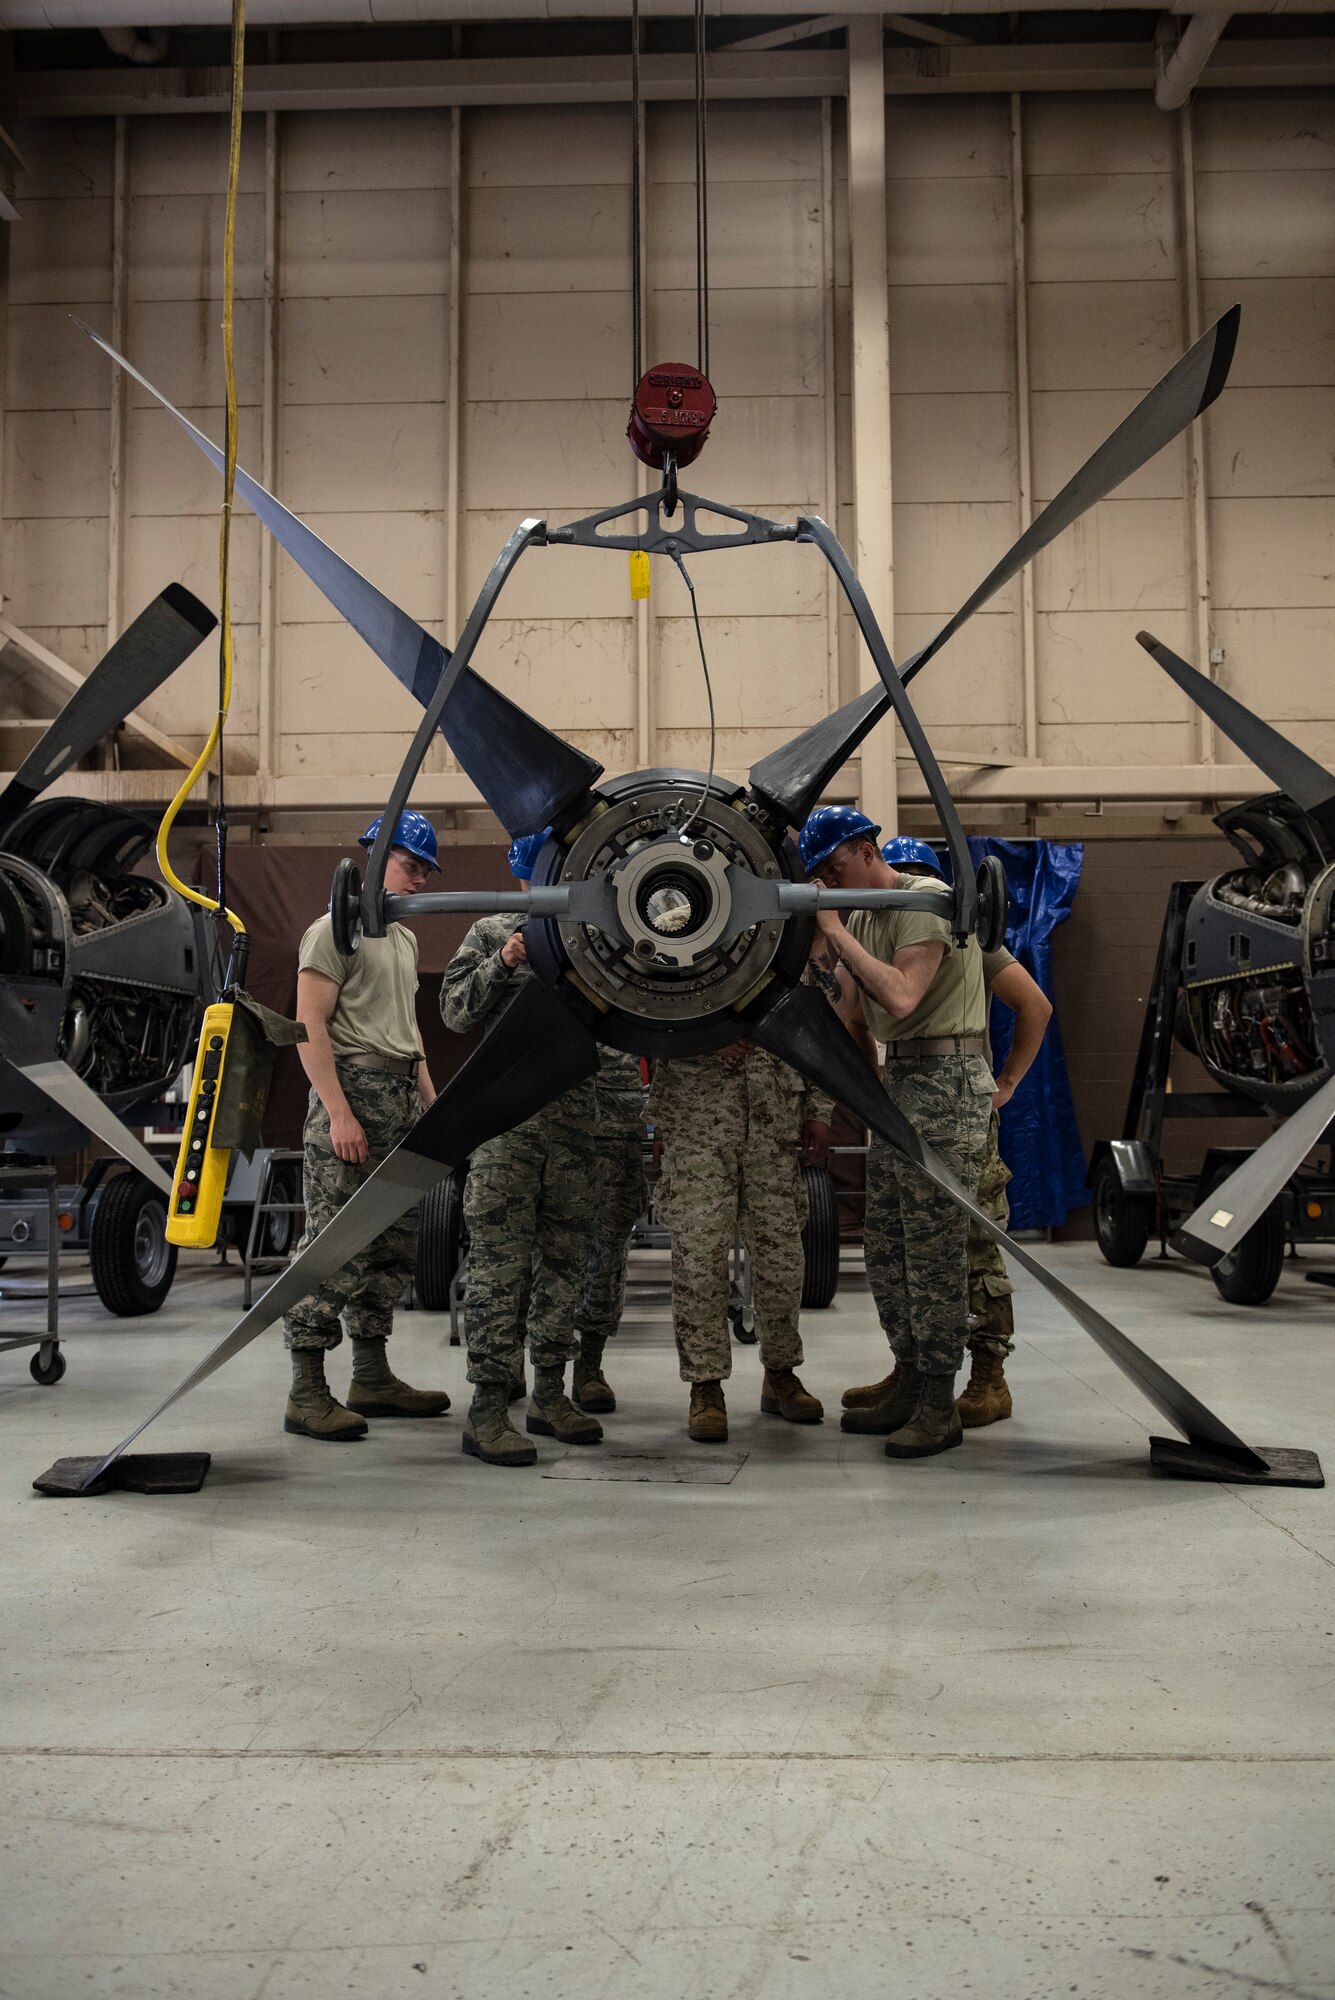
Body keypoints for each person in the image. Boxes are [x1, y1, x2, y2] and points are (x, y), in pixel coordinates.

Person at [799, 806, 992, 1461]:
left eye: (833, 866)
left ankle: (939, 1402)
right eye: (818, 874)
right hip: (900, 1085)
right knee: (887, 1245)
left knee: (934, 1251)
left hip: (946, 1080)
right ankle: (908, 1375)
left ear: (862, 849)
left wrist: (834, 927)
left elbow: (902, 996)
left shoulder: (922, 899)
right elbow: (850, 1009)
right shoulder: (861, 914)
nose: (827, 879)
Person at [839, 838, 1052, 1430]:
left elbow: (1035, 1006)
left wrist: (1004, 1083)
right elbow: (857, 1017)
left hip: (956, 1104)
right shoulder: (884, 926)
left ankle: (987, 1374)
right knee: (901, 1243)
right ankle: (914, 1373)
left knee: (971, 1248)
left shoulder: (960, 934)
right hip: (912, 1093)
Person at [282, 809, 450, 1442]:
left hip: (400, 1096)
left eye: (425, 871)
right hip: (352, 1093)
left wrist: (430, 1102)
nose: (420, 881)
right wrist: (338, 1111)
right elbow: (310, 1027)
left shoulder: (403, 938)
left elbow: (410, 1033)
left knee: (389, 1245)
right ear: (376, 859)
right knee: (335, 1247)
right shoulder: (331, 932)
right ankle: (306, 1390)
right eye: (412, 867)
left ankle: (371, 1375)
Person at [440, 830, 604, 1467]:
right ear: (521, 877)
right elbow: (455, 1012)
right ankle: (486, 1408)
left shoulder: (594, 934)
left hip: (572, 1129)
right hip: (506, 1130)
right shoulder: (491, 931)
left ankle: (550, 1395)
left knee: (565, 1267)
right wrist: (502, 962)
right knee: (498, 1271)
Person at [649, 1042, 831, 1443]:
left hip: (775, 1121)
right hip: (699, 1119)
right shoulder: (681, 975)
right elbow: (660, 1026)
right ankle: (706, 1386)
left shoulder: (796, 973)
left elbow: (812, 1033)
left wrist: (819, 1113)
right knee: (698, 1260)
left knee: (782, 1262)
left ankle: (781, 1375)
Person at [570, 1054, 648, 1414]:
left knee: (607, 1254)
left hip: (618, 1120)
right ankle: (529, 1366)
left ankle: (589, 1365)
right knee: (538, 1246)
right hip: (553, 1108)